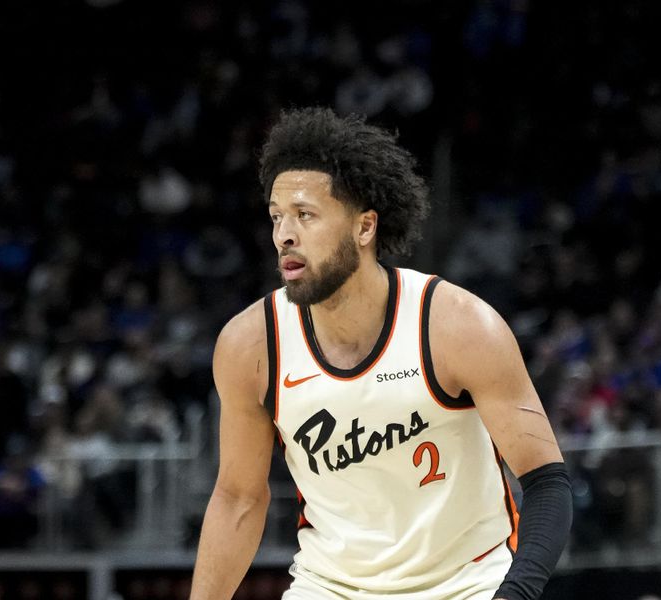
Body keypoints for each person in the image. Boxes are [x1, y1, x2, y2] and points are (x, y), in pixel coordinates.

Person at [189, 107, 572, 600]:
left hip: (467, 583)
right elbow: (239, 499)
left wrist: (513, 595)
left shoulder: (457, 326)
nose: (284, 234)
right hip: (329, 587)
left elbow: (547, 482)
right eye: (277, 217)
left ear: (365, 227)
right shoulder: (250, 345)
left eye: (305, 215)